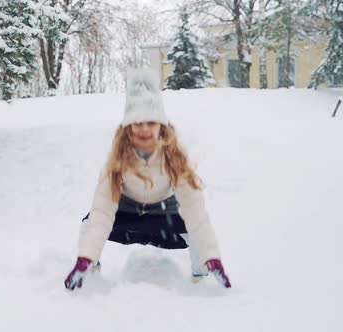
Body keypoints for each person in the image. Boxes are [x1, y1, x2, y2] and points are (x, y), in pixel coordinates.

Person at [63, 68, 231, 291]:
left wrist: (212, 257)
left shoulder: (174, 157)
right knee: (88, 224)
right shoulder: (117, 159)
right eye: (137, 122)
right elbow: (103, 211)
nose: (144, 129)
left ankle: (201, 278)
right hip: (127, 218)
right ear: (128, 125)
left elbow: (195, 211)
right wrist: (85, 257)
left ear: (161, 124)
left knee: (193, 232)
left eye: (151, 122)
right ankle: (90, 271)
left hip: (165, 218)